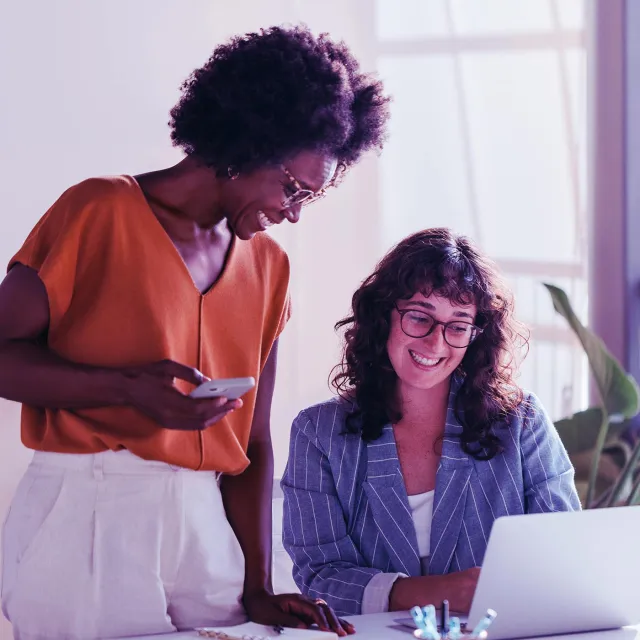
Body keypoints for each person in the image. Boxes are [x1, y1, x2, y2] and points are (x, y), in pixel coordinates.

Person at [0, 25, 390, 639]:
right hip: (91, 511)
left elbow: (253, 442)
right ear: (247, 141)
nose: (292, 212)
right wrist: (124, 388)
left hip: (206, 527)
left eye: (307, 201)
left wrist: (259, 586)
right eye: (291, 188)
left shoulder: (270, 267)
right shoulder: (98, 211)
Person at [282, 228, 580, 617]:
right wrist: (436, 591)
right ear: (382, 315)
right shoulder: (317, 432)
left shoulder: (522, 423)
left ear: (476, 335)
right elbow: (320, 578)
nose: (436, 344)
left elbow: (559, 554)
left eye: (457, 326)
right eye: (420, 317)